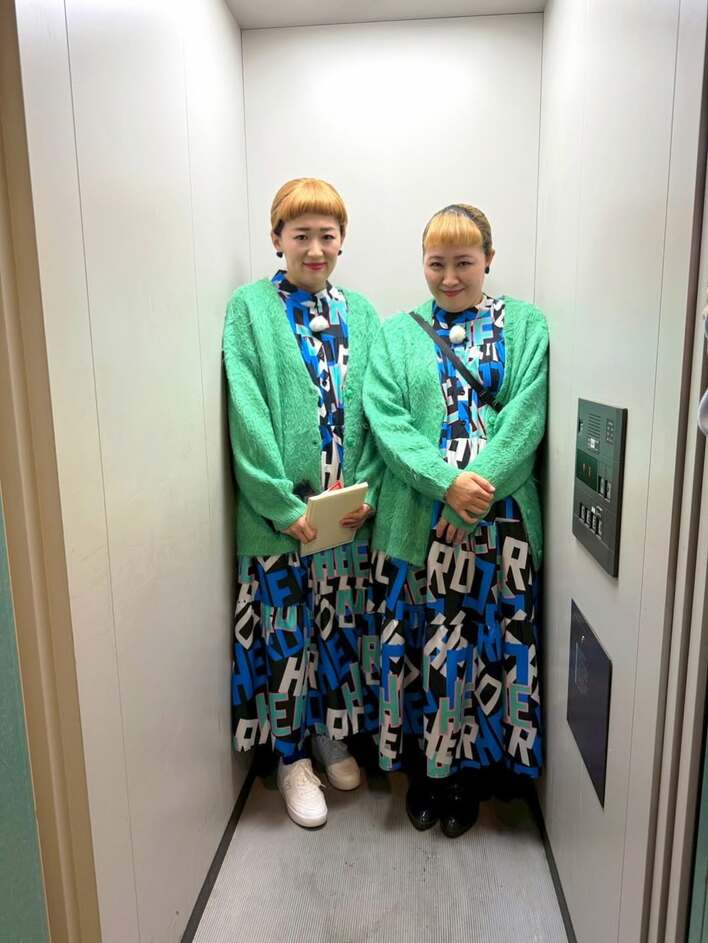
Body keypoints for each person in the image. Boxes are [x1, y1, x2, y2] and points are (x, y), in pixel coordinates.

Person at [363, 203, 548, 838]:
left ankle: (469, 774)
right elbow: (388, 424)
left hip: (500, 529)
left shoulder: (526, 325)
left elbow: (525, 420)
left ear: (489, 260)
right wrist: (446, 484)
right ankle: (426, 772)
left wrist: (472, 498)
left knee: (482, 657)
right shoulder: (396, 333)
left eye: (464, 262)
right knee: (420, 653)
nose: (449, 277)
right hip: (415, 525)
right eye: (436, 263)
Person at [223, 178, 380, 828]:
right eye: (301, 234)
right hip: (280, 523)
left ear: (342, 241)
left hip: (343, 522)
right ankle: (290, 760)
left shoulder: (361, 312)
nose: (315, 248)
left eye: (327, 235)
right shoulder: (250, 308)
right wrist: (279, 503)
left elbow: (378, 407)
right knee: (286, 641)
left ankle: (330, 738)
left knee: (338, 635)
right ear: (277, 238)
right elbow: (247, 411)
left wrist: (366, 491)